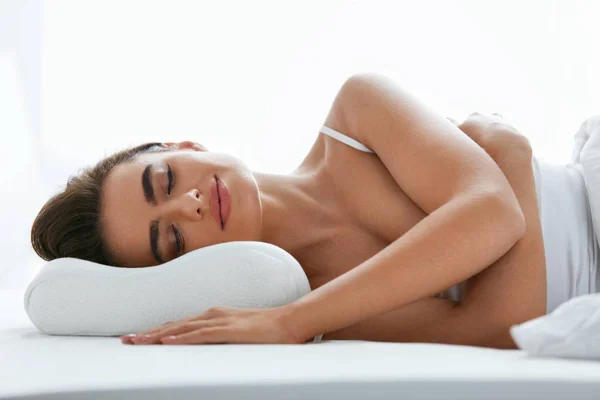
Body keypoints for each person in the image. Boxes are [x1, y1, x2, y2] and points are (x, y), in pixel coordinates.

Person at [30, 73, 597, 348]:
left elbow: (495, 219)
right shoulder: (323, 299)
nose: (191, 204)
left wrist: (499, 205)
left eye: (166, 179)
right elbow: (504, 329)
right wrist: (513, 161)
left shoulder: (356, 115)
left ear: (186, 146)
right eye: (173, 240)